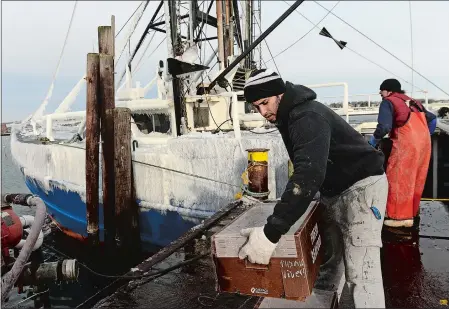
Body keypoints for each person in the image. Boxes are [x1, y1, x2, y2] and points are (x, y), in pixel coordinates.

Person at [238, 69, 388, 308]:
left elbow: (308, 175)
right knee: (331, 258)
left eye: (265, 103)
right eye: (256, 107)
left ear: (280, 93)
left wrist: (270, 234)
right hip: (336, 189)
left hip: (362, 189)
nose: (263, 112)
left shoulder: (306, 116)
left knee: (362, 271)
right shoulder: (288, 115)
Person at [369, 78, 435, 228]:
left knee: (399, 178)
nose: (380, 92)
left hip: (406, 144)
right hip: (424, 145)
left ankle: (400, 219)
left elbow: (384, 126)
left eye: (382, 89)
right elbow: (432, 119)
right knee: (416, 179)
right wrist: (425, 135)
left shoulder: (388, 101)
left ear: (389, 91)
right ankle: (412, 212)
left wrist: (374, 140)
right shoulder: (414, 102)